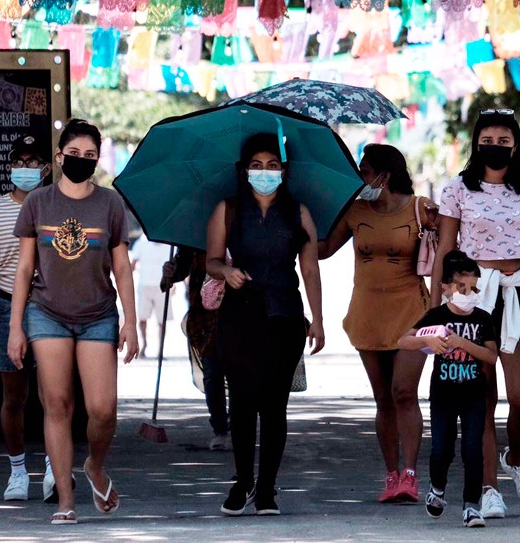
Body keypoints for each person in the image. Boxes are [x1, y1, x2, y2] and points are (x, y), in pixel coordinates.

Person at [432, 108, 520, 518]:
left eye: (504, 141)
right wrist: (439, 307)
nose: (495, 147)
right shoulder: (457, 189)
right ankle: (488, 487)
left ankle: (516, 459)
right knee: (481, 400)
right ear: (476, 144)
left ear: (516, 145)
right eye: (487, 140)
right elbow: (445, 250)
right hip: (473, 299)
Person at [7, 119, 140, 525]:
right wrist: (15, 328)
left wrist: (131, 323)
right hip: (46, 313)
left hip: (98, 314)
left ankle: (94, 466)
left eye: (90, 156)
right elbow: (25, 267)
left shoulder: (110, 204)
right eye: (74, 154)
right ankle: (65, 499)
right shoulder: (38, 203)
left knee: (102, 409)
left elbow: (121, 265)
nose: (82, 161)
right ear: (59, 156)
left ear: (98, 160)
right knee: (58, 405)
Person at [206, 133, 325, 517]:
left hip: (284, 316)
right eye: (257, 165)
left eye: (273, 165)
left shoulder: (298, 212)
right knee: (241, 401)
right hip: (238, 316)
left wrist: (318, 319)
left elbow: (309, 267)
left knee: (275, 405)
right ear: (244, 170)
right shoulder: (227, 209)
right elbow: (210, 260)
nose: (265, 172)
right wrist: (226, 270)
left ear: (284, 170)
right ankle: (242, 483)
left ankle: (268, 490)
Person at [319, 144, 437, 502]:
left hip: (412, 313)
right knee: (383, 398)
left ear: (386, 175)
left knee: (404, 391)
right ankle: (391, 476)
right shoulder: (355, 210)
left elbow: (448, 248)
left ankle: (412, 475)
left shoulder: (420, 208)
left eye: (366, 170)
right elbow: (323, 250)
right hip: (367, 312)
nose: (361, 177)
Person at [0, 135, 53, 502]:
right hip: (6, 306)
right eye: (19, 161)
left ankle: (55, 467)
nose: (25, 168)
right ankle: (18, 471)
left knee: (55, 394)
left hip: (51, 306)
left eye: (32, 161)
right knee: (14, 397)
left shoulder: (56, 205)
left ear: (46, 168)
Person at [399, 251, 498, 528]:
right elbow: (403, 340)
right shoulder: (436, 316)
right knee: (442, 447)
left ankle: (471, 506)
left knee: (472, 449)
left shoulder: (482, 318)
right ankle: (438, 489)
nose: (468, 293)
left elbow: (491, 356)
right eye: (461, 287)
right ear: (445, 287)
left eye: (474, 288)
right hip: (443, 394)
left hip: (474, 394)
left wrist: (463, 344)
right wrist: (429, 338)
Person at [161, 247, 231, 451]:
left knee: (238, 373)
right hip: (204, 316)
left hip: (238, 308)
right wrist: (169, 273)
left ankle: (237, 427)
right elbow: (180, 267)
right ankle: (220, 428)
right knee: (212, 372)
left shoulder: (241, 224)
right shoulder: (192, 237)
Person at [129, 234, 174, 358]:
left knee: (162, 320)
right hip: (145, 284)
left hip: (163, 286)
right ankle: (145, 344)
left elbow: (175, 265)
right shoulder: (142, 242)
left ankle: (161, 348)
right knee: (143, 317)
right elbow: (133, 263)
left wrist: (173, 284)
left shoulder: (168, 243)